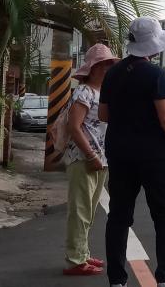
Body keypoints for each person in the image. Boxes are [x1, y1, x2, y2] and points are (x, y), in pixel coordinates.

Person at [100, 17, 165, 287]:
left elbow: (103, 114)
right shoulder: (156, 74)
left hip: (119, 152)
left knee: (119, 216)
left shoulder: (113, 73)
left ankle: (117, 280)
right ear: (152, 45)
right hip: (156, 155)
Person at [62, 44, 118, 276]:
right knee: (81, 210)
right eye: (104, 64)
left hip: (100, 159)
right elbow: (74, 127)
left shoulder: (102, 94)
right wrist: (91, 155)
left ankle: (82, 253)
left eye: (109, 64)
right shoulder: (83, 92)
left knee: (90, 210)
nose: (108, 68)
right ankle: (75, 259)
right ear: (93, 68)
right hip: (84, 158)